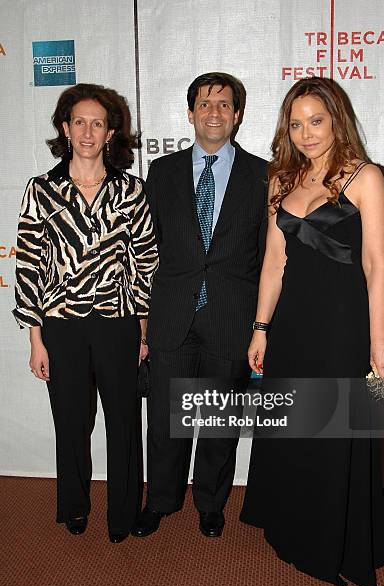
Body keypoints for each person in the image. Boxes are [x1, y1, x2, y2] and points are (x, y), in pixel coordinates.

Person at [241, 77, 384, 586]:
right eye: (296, 123)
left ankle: (335, 544)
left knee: (335, 433)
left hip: (342, 325)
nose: (306, 133)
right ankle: (292, 529)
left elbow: (378, 266)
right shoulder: (281, 181)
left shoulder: (365, 178)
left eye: (316, 120)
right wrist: (261, 327)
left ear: (337, 120)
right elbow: (272, 263)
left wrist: (380, 340)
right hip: (292, 326)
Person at [13, 83, 158, 543]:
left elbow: (146, 262)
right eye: (80, 122)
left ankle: (122, 514)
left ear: (111, 131)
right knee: (71, 423)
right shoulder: (42, 190)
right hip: (61, 326)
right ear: (65, 128)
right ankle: (74, 507)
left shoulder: (131, 191)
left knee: (123, 423)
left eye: (98, 123)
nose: (88, 131)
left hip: (118, 323)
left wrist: (141, 330)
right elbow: (28, 265)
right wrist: (35, 338)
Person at [131, 72, 267, 539]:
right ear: (190, 113)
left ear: (237, 115)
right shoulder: (162, 172)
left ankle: (211, 503)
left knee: (218, 422)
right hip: (172, 313)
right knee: (166, 420)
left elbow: (270, 255)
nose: (215, 112)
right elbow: (147, 247)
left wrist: (262, 325)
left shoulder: (262, 175)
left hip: (231, 315)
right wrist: (144, 324)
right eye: (205, 104)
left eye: (225, 105)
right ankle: (162, 501)